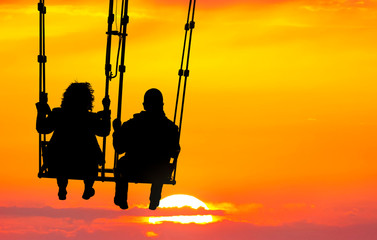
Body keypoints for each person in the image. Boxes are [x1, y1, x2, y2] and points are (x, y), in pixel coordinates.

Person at [36, 82, 111, 200]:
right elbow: (104, 131)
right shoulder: (90, 118)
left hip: (59, 164)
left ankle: (62, 186)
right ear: (88, 100)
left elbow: (42, 128)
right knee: (90, 147)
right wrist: (106, 111)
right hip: (85, 164)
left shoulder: (58, 114)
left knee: (60, 149)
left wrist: (42, 110)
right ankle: (88, 186)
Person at [113, 88, 180, 210]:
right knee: (162, 166)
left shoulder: (132, 125)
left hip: (133, 168)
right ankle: (155, 198)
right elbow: (174, 152)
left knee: (121, 164)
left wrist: (117, 131)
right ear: (162, 105)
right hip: (157, 172)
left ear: (144, 105)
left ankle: (121, 197)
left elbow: (119, 148)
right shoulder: (170, 128)